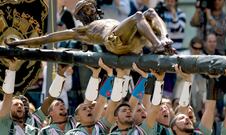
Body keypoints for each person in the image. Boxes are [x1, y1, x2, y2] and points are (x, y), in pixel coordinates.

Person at [6, 0, 175, 55]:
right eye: (85, 9)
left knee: (151, 12)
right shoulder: (82, 31)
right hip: (115, 41)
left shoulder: (106, 18)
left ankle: (164, 39)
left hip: (132, 39)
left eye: (91, 7)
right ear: (80, 16)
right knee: (139, 15)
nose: (90, 9)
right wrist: (19, 42)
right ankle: (157, 45)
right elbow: (49, 38)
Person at [0, 58, 68, 135]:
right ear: (8, 108)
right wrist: (12, 69)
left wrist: (60, 74)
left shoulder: (34, 121)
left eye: (22, 104)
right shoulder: (3, 122)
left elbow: (50, 99)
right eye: (16, 104)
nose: (20, 106)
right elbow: (8, 95)